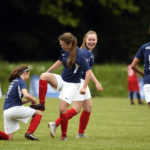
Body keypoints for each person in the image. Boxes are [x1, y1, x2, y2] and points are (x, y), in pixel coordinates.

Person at [48, 30, 103, 138]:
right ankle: (55, 124)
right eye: (89, 39)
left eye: (94, 40)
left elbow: (88, 70)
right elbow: (86, 71)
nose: (91, 42)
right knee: (77, 108)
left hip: (83, 81)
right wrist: (96, 83)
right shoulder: (82, 51)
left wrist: (96, 82)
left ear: (97, 40)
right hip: (78, 82)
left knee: (88, 108)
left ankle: (80, 133)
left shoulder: (90, 52)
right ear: (85, 40)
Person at [37, 32, 91, 140]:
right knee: (43, 76)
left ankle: (64, 136)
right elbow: (60, 61)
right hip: (62, 80)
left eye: (63, 45)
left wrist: (84, 87)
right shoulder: (64, 50)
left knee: (62, 110)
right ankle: (41, 105)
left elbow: (88, 72)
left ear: (70, 44)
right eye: (61, 44)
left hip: (72, 85)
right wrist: (49, 71)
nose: (61, 47)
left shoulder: (80, 55)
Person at [0, 65, 42, 141]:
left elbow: (16, 100)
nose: (29, 75)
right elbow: (26, 95)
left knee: (8, 138)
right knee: (38, 113)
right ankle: (29, 133)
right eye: (29, 73)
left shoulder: (14, 82)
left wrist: (28, 100)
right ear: (25, 72)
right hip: (13, 110)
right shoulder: (21, 81)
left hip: (6, 111)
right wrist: (34, 100)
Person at [131, 42, 150, 107]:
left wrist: (143, 74)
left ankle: (133, 101)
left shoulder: (144, 47)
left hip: (147, 81)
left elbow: (133, 66)